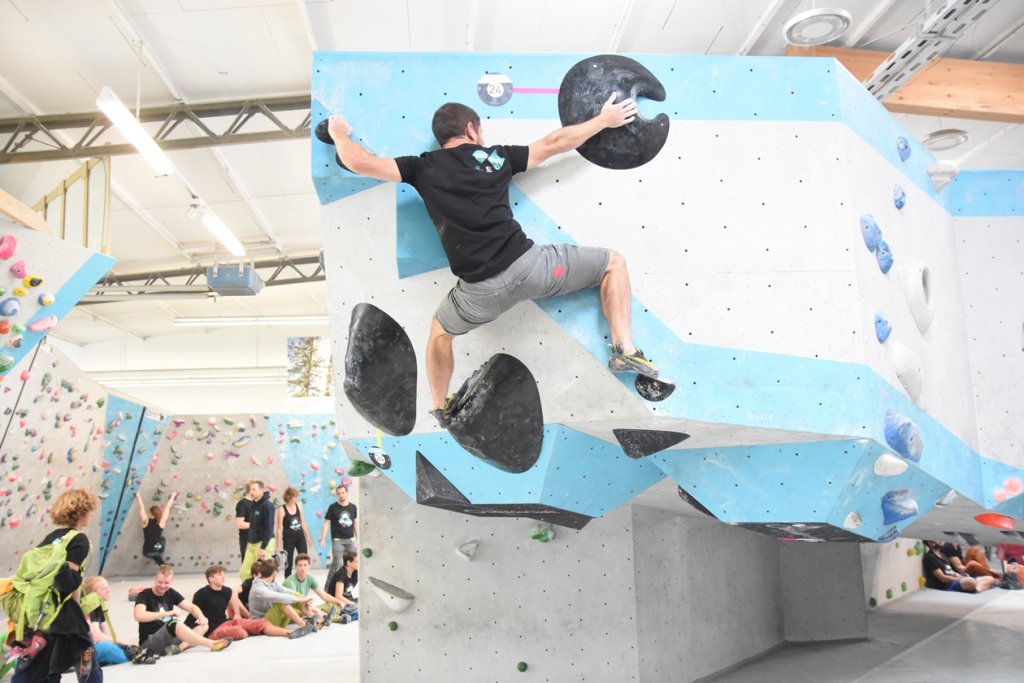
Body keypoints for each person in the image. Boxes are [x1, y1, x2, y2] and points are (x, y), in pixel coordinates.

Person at [327, 95, 660, 427]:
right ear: (471, 130)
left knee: (439, 334)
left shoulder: (422, 167)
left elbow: (360, 163)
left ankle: (441, 407)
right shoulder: (497, 158)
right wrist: (604, 120)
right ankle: (625, 348)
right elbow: (556, 142)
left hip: (479, 296)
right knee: (612, 263)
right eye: (481, 131)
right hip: (534, 270)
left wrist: (340, 133)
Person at [11, 489, 100, 683]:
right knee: (89, 670)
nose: (92, 515)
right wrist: (80, 614)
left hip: (39, 613)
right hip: (65, 618)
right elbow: (67, 582)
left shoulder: (49, 539)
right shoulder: (79, 539)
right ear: (82, 511)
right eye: (90, 511)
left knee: (34, 671)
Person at [187, 565, 309, 640]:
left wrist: (238, 614)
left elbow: (235, 601)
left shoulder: (226, 591)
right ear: (211, 579)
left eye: (223, 575)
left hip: (226, 622)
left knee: (260, 623)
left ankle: (289, 632)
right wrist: (188, 629)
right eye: (219, 575)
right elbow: (193, 611)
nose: (223, 577)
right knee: (241, 633)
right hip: (212, 630)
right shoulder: (202, 593)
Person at [133, 565, 232, 655]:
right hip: (150, 642)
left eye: (166, 583)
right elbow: (139, 616)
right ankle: (211, 644)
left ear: (171, 581)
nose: (163, 586)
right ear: (155, 579)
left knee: (204, 626)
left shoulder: (171, 593)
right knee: (174, 623)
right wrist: (166, 613)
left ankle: (178, 648)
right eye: (160, 582)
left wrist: (201, 617)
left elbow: (192, 607)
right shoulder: (144, 595)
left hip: (170, 640)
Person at [81, 576, 155, 666]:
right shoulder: (91, 606)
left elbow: (106, 632)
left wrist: (123, 644)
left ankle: (134, 654)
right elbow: (96, 636)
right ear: (94, 593)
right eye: (105, 588)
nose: (109, 590)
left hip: (92, 649)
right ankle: (131, 658)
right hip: (85, 653)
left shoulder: (98, 604)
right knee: (107, 647)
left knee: (120, 645)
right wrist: (119, 642)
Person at [248, 559, 324, 631]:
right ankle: (304, 625)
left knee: (294, 599)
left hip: (275, 619)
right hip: (262, 623)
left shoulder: (272, 582)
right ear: (274, 572)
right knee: (281, 602)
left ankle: (313, 618)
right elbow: (277, 597)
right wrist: (300, 599)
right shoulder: (258, 588)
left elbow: (287, 591)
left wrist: (304, 598)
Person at [922, 540, 996, 593]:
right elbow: (943, 578)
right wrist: (959, 578)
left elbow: (952, 571)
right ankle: (976, 586)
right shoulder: (930, 558)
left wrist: (961, 576)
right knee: (971, 580)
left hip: (958, 578)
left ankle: (976, 589)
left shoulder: (942, 555)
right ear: (930, 543)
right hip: (948, 585)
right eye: (936, 540)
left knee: (989, 578)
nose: (940, 540)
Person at [319, 484, 357, 580]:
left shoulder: (353, 507)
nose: (341, 495)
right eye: (339, 493)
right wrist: (322, 539)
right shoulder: (333, 507)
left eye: (343, 493)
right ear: (337, 495)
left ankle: (348, 585)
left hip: (350, 540)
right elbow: (326, 523)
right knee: (337, 563)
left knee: (352, 564)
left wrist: (358, 536)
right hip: (337, 540)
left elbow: (355, 523)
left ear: (347, 493)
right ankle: (328, 588)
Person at [239, 480, 276, 581]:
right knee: (244, 572)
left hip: (264, 543)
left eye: (254, 489)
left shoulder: (267, 505)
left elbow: (269, 528)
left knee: (266, 573)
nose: (251, 492)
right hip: (252, 544)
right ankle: (247, 594)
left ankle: (268, 594)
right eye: (250, 489)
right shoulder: (254, 505)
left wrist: (263, 547)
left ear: (261, 490)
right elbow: (253, 526)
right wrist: (249, 543)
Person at [275, 487, 313, 578]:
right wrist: (278, 546)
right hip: (289, 539)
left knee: (304, 559)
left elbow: (302, 522)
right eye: (295, 496)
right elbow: (279, 529)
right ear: (289, 497)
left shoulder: (298, 505)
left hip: (300, 537)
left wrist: (308, 537)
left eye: (297, 496)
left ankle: (303, 579)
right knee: (289, 563)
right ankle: (288, 582)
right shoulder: (282, 510)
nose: (297, 498)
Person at [134, 490, 177, 567]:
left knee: (153, 548)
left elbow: (141, 508)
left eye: (148, 512)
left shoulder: (145, 521)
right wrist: (173, 496)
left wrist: (138, 496)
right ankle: (162, 564)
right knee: (161, 539)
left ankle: (162, 564)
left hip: (147, 551)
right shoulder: (162, 522)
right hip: (159, 549)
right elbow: (167, 508)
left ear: (150, 513)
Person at [324, 550, 359, 624]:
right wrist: (353, 604)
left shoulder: (355, 572)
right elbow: (338, 596)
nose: (359, 563)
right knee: (356, 609)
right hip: (335, 602)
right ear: (349, 563)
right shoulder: (341, 574)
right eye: (357, 562)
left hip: (346, 599)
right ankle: (343, 617)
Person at [235, 486, 255, 561]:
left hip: (259, 537)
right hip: (247, 538)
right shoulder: (242, 503)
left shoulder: (258, 503)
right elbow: (239, 524)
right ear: (250, 490)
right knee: (247, 562)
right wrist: (256, 525)